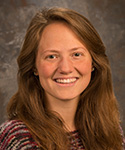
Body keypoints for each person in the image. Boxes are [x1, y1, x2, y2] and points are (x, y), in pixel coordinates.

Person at [0, 7, 124, 150]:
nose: (65, 68)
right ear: (34, 67)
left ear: (93, 63)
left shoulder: (112, 132)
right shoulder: (16, 138)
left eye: (76, 55)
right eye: (52, 56)